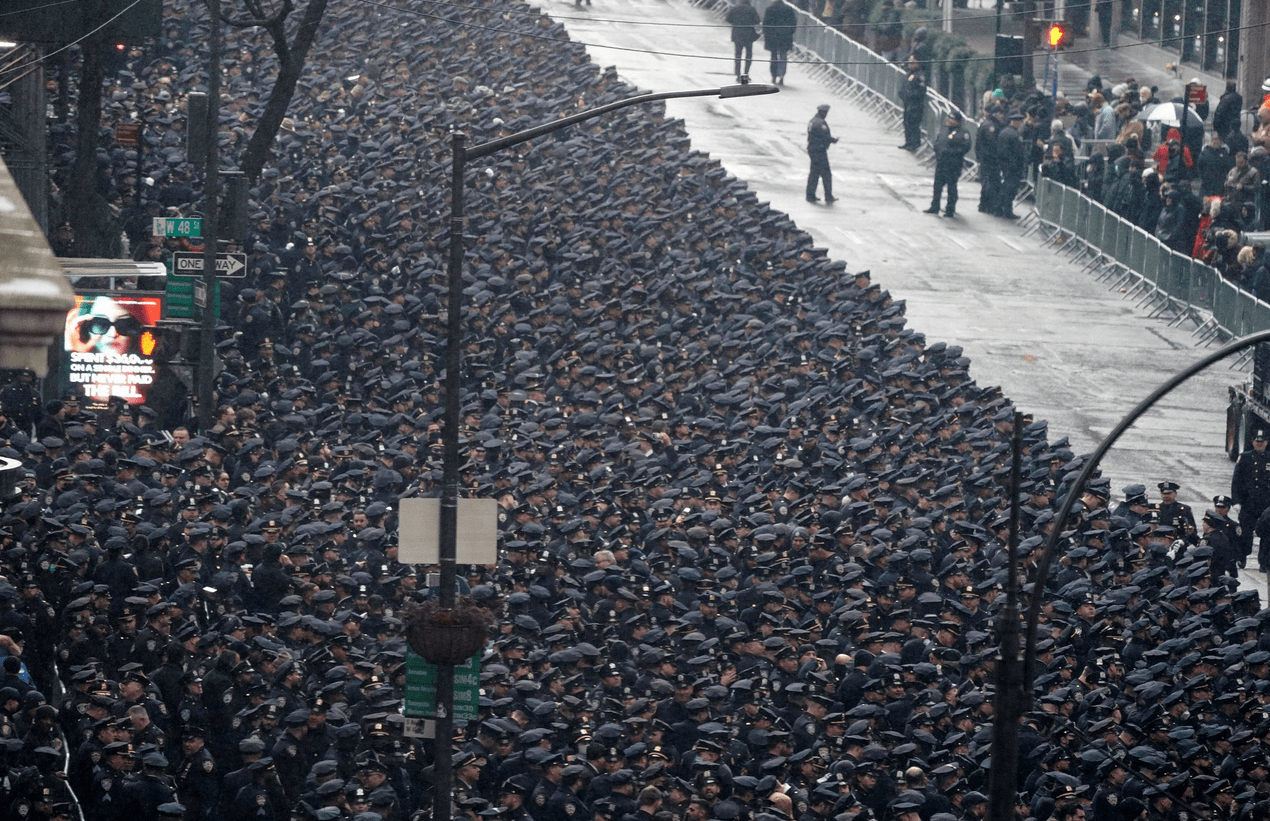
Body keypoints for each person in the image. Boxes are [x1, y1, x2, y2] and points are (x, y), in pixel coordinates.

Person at [1232, 428, 1270, 567]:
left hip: (1266, 505)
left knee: (1266, 536)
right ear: (1252, 442)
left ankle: (1264, 562)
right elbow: (1236, 481)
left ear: (1266, 443)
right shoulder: (1245, 458)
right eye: (1257, 441)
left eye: (1262, 442)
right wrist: (1236, 501)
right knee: (1245, 535)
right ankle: (1242, 558)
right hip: (1248, 504)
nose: (1260, 444)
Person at [924, 111, 972, 217]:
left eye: (952, 119)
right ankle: (935, 206)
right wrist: (937, 149)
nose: (949, 121)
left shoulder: (963, 133)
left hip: (953, 163)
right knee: (937, 185)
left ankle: (950, 208)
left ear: (957, 121)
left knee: (951, 186)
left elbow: (965, 147)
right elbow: (938, 141)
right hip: (941, 162)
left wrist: (951, 153)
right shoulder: (944, 129)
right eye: (949, 118)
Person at [995, 110, 1026, 218]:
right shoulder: (1014, 135)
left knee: (1006, 188)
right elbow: (1014, 152)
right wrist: (1014, 165)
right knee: (1010, 189)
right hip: (1012, 166)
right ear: (1016, 122)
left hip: (1006, 165)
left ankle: (999, 208)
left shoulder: (1004, 132)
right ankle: (1007, 210)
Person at [806, 104, 838, 203]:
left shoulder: (813, 120)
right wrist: (833, 140)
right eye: (825, 112)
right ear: (822, 112)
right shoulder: (820, 123)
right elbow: (825, 136)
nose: (826, 114)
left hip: (812, 149)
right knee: (826, 174)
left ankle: (810, 195)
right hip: (819, 150)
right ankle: (828, 196)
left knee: (814, 173)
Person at [726, 0, 762, 82]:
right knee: (748, 55)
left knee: (738, 55)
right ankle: (746, 73)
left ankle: (738, 74)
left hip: (737, 34)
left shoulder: (735, 8)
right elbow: (757, 20)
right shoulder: (751, 9)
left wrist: (736, 22)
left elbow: (728, 19)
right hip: (749, 34)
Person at [761, 0, 796, 86]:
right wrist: (789, 33)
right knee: (783, 55)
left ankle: (773, 76)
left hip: (772, 37)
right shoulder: (789, 9)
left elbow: (765, 24)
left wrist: (767, 34)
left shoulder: (769, 9)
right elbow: (793, 23)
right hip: (785, 37)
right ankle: (782, 75)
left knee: (773, 56)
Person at [976, 105, 1003, 214]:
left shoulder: (988, 124)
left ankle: (984, 204)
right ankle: (987, 204)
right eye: (1001, 114)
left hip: (986, 158)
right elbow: (992, 144)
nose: (1003, 116)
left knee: (988, 181)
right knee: (990, 182)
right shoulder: (991, 126)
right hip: (989, 159)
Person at [898, 57, 926, 151]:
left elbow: (921, 91)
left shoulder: (920, 75)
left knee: (914, 124)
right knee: (907, 123)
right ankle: (908, 142)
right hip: (907, 103)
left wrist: (911, 95)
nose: (910, 64)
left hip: (915, 104)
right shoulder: (909, 74)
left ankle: (914, 143)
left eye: (912, 63)